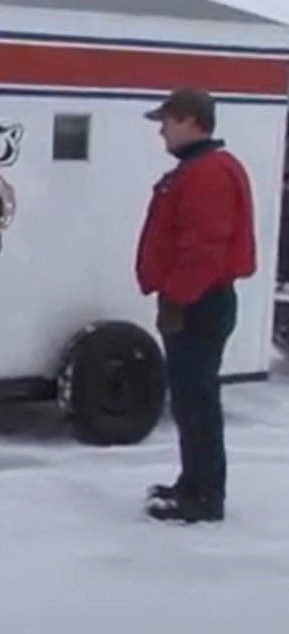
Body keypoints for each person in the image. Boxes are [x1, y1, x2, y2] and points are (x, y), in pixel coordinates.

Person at [137, 87, 256, 523]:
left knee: (197, 398)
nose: (162, 132)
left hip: (200, 301)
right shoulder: (200, 169)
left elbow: (204, 247)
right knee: (190, 399)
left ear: (189, 120)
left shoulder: (207, 173)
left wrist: (178, 298)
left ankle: (205, 495)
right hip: (198, 299)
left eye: (166, 122)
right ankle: (194, 481)